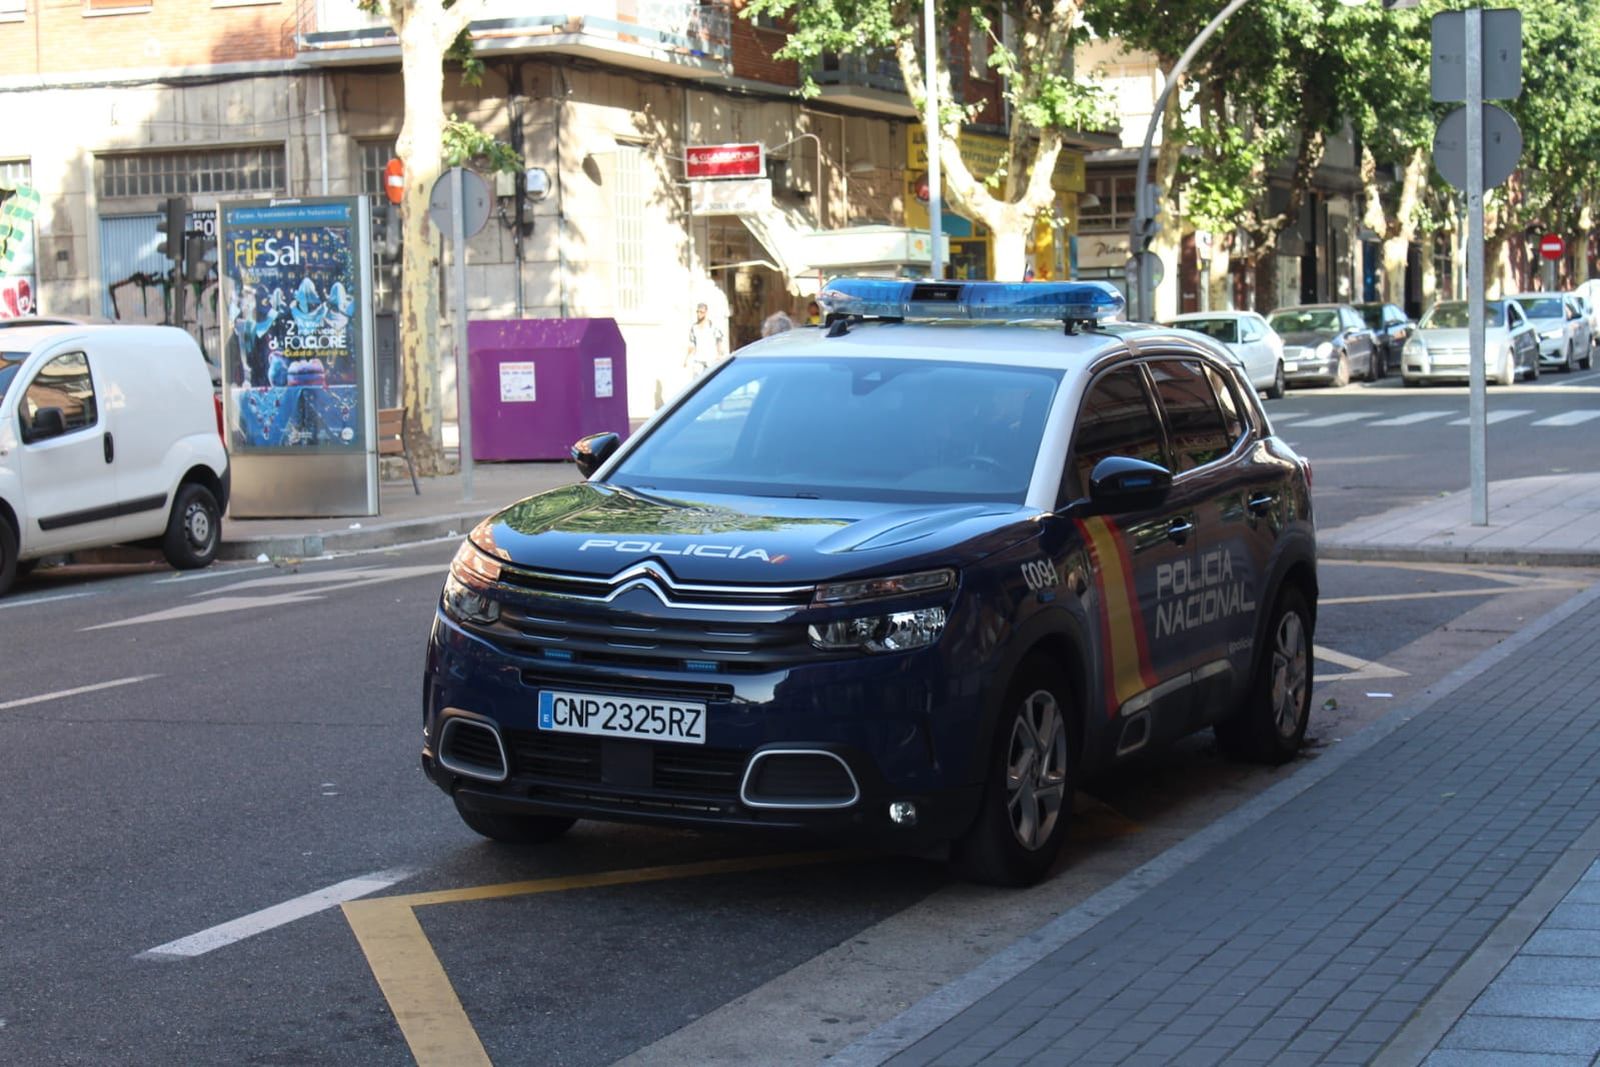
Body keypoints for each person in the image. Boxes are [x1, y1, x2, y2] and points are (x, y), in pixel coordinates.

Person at [686, 301, 725, 377]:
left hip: (711, 359)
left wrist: (719, 354)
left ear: (706, 312)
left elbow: (719, 340)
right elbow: (692, 343)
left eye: (701, 312)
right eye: (698, 312)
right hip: (698, 360)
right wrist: (687, 359)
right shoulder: (694, 327)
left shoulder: (712, 326)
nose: (699, 314)